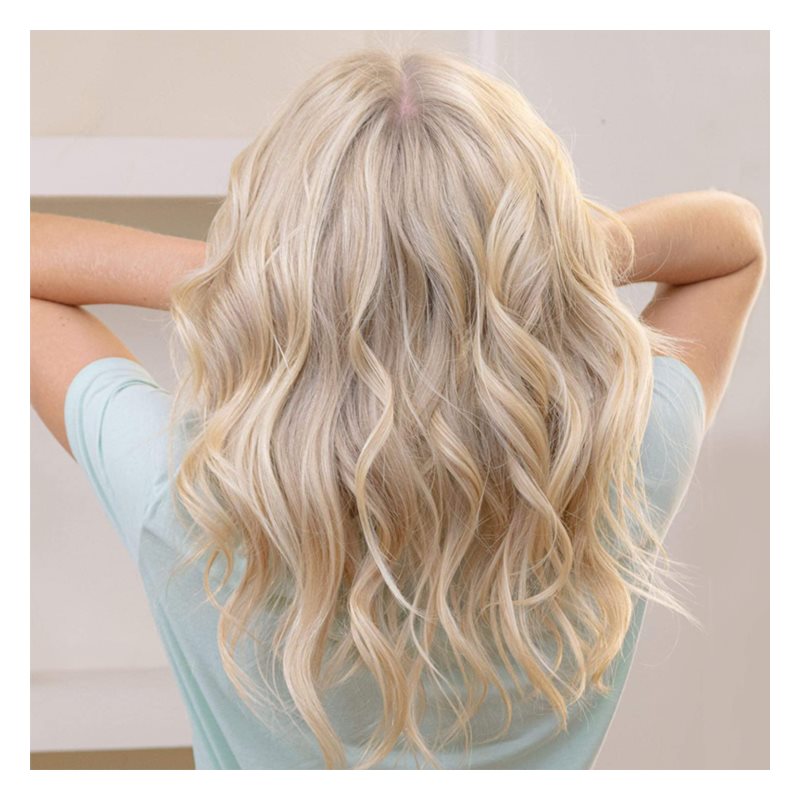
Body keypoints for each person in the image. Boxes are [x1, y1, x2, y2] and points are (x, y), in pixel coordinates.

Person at [30, 48, 766, 769]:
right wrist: (549, 263)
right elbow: (734, 243)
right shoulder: (620, 462)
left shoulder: (190, 500)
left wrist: (263, 282)